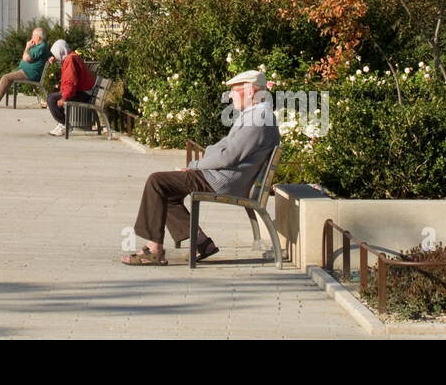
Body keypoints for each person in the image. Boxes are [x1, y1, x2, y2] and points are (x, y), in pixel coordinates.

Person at [121, 69, 279, 266]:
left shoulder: (258, 118)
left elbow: (228, 156)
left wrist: (195, 166)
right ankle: (202, 243)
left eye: (233, 90)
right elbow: (224, 147)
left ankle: (154, 249)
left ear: (248, 90)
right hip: (225, 177)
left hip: (224, 181)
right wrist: (201, 164)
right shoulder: (256, 115)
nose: (230, 95)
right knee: (166, 190)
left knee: (157, 181)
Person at [0, 27, 51, 108]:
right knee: (7, 76)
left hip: (29, 73)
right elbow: (25, 56)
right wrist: (28, 49)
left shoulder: (41, 47)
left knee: (6, 78)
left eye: (33, 35)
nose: (31, 37)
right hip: (25, 71)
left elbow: (26, 58)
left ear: (38, 37)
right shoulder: (37, 46)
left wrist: (27, 47)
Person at [46, 39, 95, 137]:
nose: (55, 57)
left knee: (51, 99)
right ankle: (62, 124)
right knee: (52, 96)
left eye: (56, 54)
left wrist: (64, 98)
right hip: (84, 92)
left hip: (83, 95)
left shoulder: (70, 60)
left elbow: (71, 82)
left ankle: (64, 124)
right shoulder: (71, 57)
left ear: (61, 51)